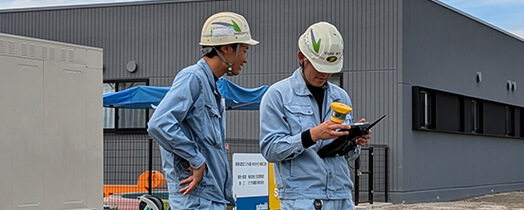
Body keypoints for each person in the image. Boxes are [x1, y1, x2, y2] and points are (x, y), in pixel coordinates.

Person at [147, 11, 258, 209]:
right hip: (195, 200)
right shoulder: (193, 78)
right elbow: (158, 124)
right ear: (226, 49)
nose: (245, 59)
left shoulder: (212, 86)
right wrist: (196, 160)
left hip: (207, 198)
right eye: (244, 50)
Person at [259, 22, 371, 210]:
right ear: (301, 57)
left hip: (341, 196)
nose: (325, 74)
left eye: (330, 68)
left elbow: (349, 156)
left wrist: (354, 141)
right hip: (302, 199)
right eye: (319, 67)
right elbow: (270, 149)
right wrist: (312, 135)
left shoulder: (340, 96)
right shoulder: (278, 95)